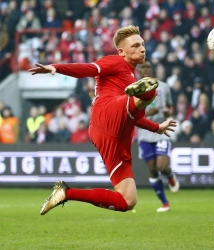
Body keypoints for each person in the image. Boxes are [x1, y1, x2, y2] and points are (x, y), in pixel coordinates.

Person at [29, 25, 177, 215]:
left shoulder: (131, 74)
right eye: (135, 45)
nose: (142, 49)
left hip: (114, 132)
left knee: (128, 201)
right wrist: (56, 67)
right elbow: (88, 69)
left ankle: (66, 193)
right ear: (121, 52)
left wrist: (157, 128)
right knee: (151, 89)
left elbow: (136, 117)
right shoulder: (115, 62)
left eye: (142, 45)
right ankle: (144, 93)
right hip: (106, 113)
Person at [136, 59, 179, 213]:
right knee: (153, 170)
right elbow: (130, 114)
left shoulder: (164, 87)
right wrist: (147, 113)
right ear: (139, 71)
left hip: (161, 131)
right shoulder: (133, 90)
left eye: (148, 67)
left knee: (161, 166)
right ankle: (164, 203)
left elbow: (171, 109)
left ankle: (169, 174)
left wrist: (168, 113)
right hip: (144, 134)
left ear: (152, 70)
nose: (146, 69)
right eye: (143, 67)